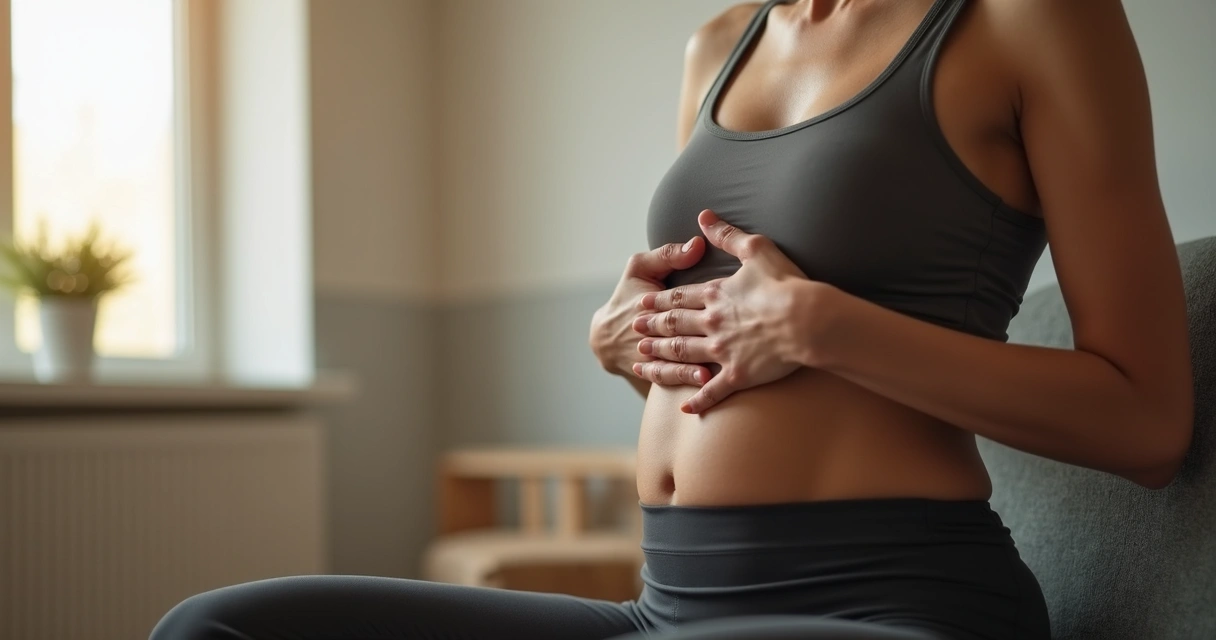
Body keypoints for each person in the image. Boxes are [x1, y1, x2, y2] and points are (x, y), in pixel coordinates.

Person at [150, 0, 1193, 638]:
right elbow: (720, 333)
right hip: (669, 605)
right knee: (218, 627)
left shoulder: (1030, 18)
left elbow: (1146, 421)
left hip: (891, 602)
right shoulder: (719, 45)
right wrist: (626, 343)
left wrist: (826, 328)